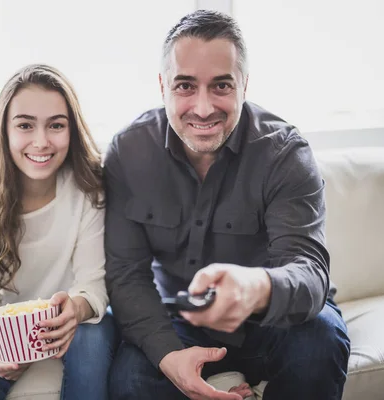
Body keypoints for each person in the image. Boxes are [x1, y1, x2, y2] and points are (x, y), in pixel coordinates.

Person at [104, 10, 351, 400]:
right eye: (185, 86)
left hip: (273, 320)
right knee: (129, 380)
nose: (203, 109)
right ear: (162, 85)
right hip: (179, 318)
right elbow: (125, 275)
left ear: (244, 85)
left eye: (221, 86)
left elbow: (310, 272)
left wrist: (257, 287)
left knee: (320, 343)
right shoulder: (128, 152)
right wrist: (171, 357)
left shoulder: (285, 152)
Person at [0, 64, 118, 400]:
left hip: (78, 319)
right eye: (25, 125)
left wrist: (78, 308)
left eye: (56, 125)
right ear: (4, 130)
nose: (41, 142)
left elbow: (93, 282)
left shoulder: (89, 185)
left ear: (72, 130)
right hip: (1, 320)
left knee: (91, 349)